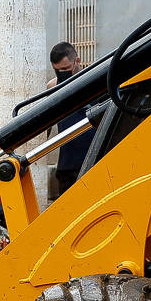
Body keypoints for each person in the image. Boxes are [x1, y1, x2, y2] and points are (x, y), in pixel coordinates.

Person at [47, 41, 94, 200]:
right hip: (67, 163)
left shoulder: (93, 80)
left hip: (94, 158)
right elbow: (47, 121)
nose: (62, 73)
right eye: (57, 70)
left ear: (77, 61)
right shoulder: (53, 86)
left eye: (66, 69)